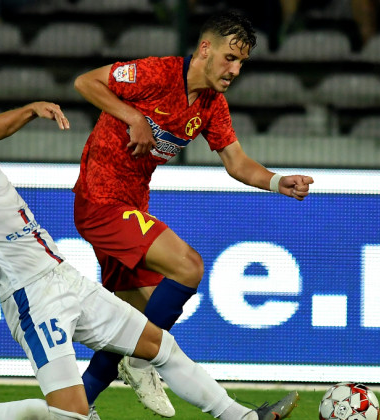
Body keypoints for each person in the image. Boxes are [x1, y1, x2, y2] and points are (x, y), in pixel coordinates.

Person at [0, 85, 299, 420]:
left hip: (65, 277)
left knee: (160, 347)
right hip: (30, 296)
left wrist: (30, 109)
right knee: (71, 415)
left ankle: (239, 415)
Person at [72, 11, 314, 418]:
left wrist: (276, 182)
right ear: (205, 49)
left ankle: (75, 409)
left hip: (130, 206)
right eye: (229, 58)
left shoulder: (212, 106)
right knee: (188, 268)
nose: (235, 70)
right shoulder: (157, 74)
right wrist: (133, 117)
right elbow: (85, 82)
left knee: (136, 329)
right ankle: (142, 362)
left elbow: (236, 162)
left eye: (241, 63)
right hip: (102, 202)